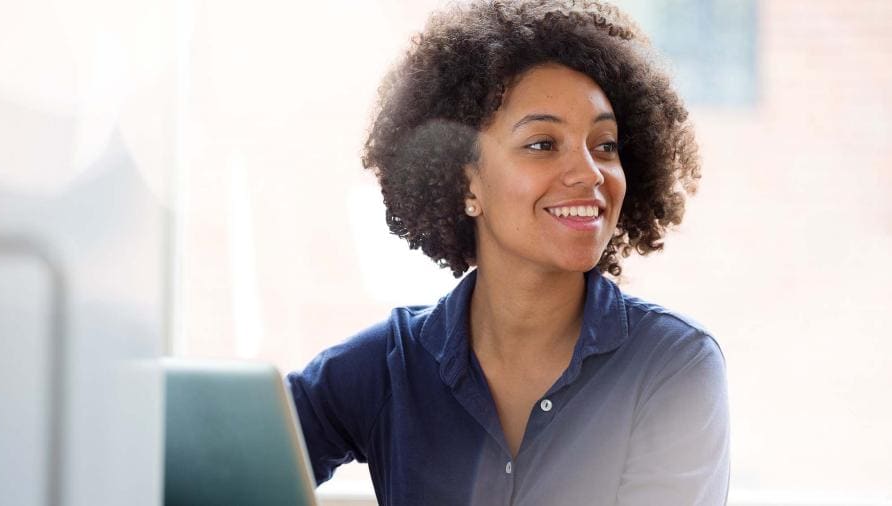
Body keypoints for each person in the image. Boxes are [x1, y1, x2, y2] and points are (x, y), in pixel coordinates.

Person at [286, 1, 730, 504]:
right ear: (465, 182)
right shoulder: (390, 366)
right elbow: (222, 458)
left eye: (605, 145)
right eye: (543, 144)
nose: (590, 173)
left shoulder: (672, 367)